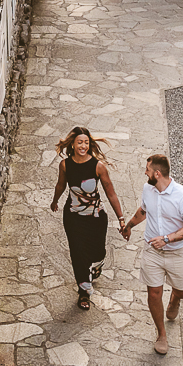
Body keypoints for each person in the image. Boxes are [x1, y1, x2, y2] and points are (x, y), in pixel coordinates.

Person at [119, 153, 183, 356]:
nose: (145, 173)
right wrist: (129, 226)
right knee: (154, 293)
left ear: (156, 173)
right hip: (152, 251)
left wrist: (167, 238)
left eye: (147, 170)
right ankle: (161, 334)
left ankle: (174, 299)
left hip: (176, 252)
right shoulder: (148, 189)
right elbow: (143, 210)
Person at [49, 126, 125, 310]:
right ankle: (84, 290)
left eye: (86, 142)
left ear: (89, 144)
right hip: (73, 217)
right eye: (79, 142)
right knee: (77, 252)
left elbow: (111, 193)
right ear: (73, 145)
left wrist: (121, 218)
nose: (83, 145)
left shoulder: (98, 166)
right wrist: (55, 200)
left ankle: (97, 264)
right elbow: (61, 185)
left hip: (96, 217)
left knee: (97, 251)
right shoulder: (65, 165)